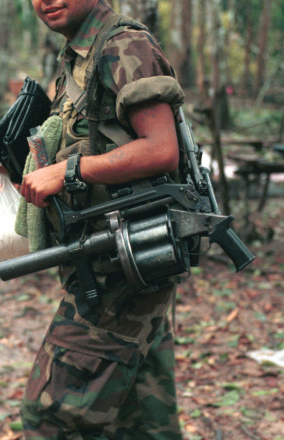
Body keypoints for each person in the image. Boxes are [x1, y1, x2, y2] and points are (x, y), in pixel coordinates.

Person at [18, 0, 186, 438]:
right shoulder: (79, 55)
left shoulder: (124, 45)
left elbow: (161, 149)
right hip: (107, 258)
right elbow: (89, 140)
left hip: (123, 263)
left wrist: (66, 171)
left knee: (51, 415)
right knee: (144, 422)